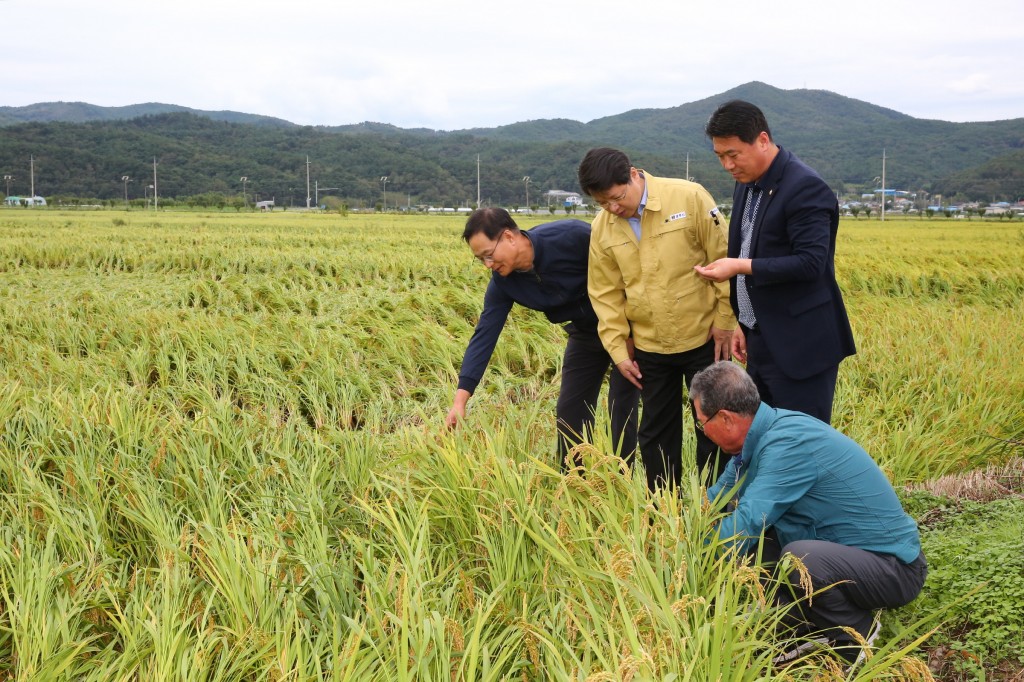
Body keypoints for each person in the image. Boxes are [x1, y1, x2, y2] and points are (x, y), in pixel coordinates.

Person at [691, 361, 927, 664]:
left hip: (893, 568)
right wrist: (683, 529)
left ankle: (855, 636)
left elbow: (749, 520)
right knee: (755, 551)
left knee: (796, 557)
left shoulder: (786, 445)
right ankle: (807, 625)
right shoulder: (760, 439)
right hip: (850, 555)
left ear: (725, 418)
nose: (702, 430)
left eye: (701, 422)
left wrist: (696, 558)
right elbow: (715, 500)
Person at [578, 147, 736, 491]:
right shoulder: (602, 229)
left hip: (705, 337)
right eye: (603, 203)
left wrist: (726, 319)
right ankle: (663, 509)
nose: (614, 208)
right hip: (650, 345)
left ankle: (718, 507)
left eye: (618, 198)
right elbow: (604, 294)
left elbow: (723, 259)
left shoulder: (689, 198)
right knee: (655, 434)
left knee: (714, 425)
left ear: (634, 174)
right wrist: (618, 351)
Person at [695, 100, 855, 424]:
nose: (727, 165)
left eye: (733, 154)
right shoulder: (746, 184)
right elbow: (746, 245)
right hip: (762, 340)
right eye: (720, 156)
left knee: (801, 441)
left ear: (763, 141)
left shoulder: (805, 188)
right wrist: (746, 323)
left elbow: (811, 263)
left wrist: (739, 266)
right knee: (765, 438)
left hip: (801, 345)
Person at [446, 207, 639, 466]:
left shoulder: (572, 236)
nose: (488, 265)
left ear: (509, 237)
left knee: (622, 406)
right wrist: (461, 399)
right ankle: (574, 482)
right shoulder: (504, 282)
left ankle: (624, 479)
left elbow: (629, 272)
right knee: (570, 411)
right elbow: (485, 334)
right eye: (480, 259)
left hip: (625, 327)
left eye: (489, 255)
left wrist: (630, 333)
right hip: (584, 332)